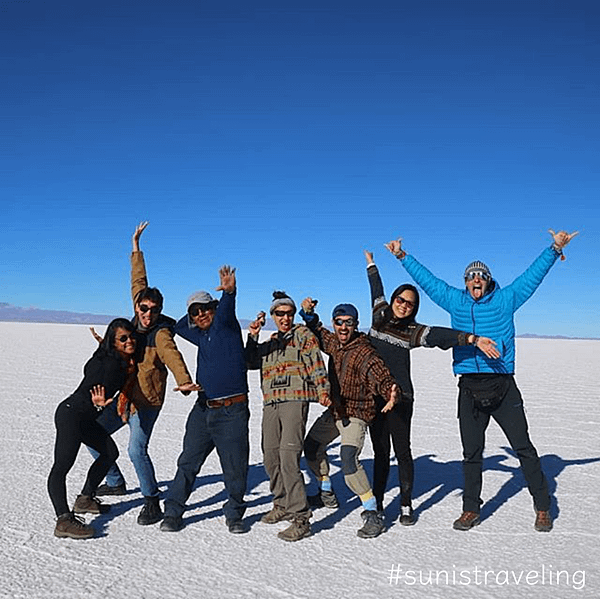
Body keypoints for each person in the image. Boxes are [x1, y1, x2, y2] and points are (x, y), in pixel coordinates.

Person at [385, 229, 578, 532]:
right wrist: (401, 257)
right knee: (471, 453)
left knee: (523, 448)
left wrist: (554, 249)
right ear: (465, 282)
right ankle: (471, 509)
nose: (476, 281)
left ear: (487, 280)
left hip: (502, 384)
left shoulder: (505, 299)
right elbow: (429, 282)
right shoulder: (455, 301)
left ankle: (542, 505)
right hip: (469, 386)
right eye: (471, 277)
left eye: (481, 276)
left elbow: (532, 276)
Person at [363, 250, 499, 525]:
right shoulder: (378, 314)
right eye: (400, 300)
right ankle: (376, 502)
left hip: (401, 397)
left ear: (414, 309)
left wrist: (471, 338)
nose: (404, 305)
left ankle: (405, 504)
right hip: (375, 396)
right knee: (379, 452)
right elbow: (375, 287)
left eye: (410, 304)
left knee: (402, 451)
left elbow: (439, 336)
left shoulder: (413, 331)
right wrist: (372, 264)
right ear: (393, 301)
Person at [90, 222, 198, 527]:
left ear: (159, 309)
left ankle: (152, 501)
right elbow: (139, 280)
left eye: (152, 309)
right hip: (123, 396)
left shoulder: (161, 333)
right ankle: (114, 481)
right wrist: (136, 245)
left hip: (146, 402)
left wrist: (184, 381)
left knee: (136, 449)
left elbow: (172, 357)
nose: (146, 313)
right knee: (92, 435)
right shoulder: (134, 320)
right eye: (143, 308)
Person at [161, 266, 251, 535]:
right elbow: (175, 326)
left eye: (204, 308)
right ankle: (173, 511)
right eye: (194, 312)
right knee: (188, 461)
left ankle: (234, 513)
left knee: (234, 467)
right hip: (203, 409)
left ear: (214, 307)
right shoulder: (200, 334)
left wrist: (229, 293)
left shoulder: (226, 325)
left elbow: (225, 309)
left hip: (232, 411)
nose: (200, 314)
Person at [300, 301, 399, 539]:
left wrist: (390, 391)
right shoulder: (335, 343)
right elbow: (319, 332)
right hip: (335, 411)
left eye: (349, 322)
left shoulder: (364, 351)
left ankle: (372, 513)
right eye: (339, 322)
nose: (343, 327)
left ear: (355, 324)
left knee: (348, 459)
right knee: (312, 447)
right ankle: (325, 492)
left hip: (356, 413)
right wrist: (309, 314)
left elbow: (379, 374)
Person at [245, 292, 330, 542]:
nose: (285, 317)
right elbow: (249, 360)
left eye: (289, 313)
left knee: (289, 457)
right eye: (280, 314)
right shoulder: (270, 341)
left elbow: (316, 364)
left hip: (295, 399)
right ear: (273, 316)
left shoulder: (303, 335)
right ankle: (281, 504)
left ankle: (300, 517)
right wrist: (253, 334)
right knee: (270, 456)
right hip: (271, 402)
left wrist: (323, 391)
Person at [48, 319, 138, 539]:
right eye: (123, 338)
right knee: (62, 466)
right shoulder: (109, 365)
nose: (129, 341)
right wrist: (98, 403)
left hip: (85, 418)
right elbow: (93, 383)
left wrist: (102, 343)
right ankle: (63, 520)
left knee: (109, 453)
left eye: (131, 336)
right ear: (114, 342)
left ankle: (85, 499)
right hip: (71, 415)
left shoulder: (115, 357)